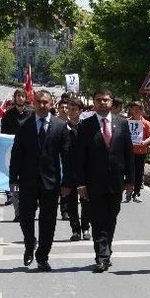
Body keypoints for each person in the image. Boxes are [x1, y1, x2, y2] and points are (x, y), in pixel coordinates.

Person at [9, 90, 71, 271]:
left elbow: (67, 157)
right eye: (39, 102)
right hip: (27, 181)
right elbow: (16, 154)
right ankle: (30, 243)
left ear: (51, 104)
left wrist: (67, 182)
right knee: (25, 217)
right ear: (33, 103)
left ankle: (43, 256)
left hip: (51, 183)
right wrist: (13, 179)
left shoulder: (60, 126)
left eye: (45, 102)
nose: (42, 105)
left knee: (48, 221)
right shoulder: (24, 124)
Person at [77, 89, 134, 273]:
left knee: (111, 218)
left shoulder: (122, 123)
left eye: (106, 100)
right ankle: (101, 256)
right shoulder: (85, 125)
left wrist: (131, 180)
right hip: (94, 182)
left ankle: (106, 248)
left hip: (116, 181)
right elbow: (80, 157)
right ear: (94, 103)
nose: (103, 103)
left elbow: (129, 154)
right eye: (99, 100)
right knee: (98, 219)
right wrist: (81, 183)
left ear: (111, 102)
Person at [1, 88, 33, 210]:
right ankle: (17, 211)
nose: (20, 98)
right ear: (14, 98)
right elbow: (4, 134)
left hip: (30, 153)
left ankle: (29, 208)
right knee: (14, 182)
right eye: (18, 96)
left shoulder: (32, 113)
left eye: (22, 96)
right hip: (13, 153)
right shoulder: (8, 114)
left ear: (26, 98)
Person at [65, 98, 90, 241]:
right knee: (71, 202)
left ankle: (86, 227)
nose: (71, 111)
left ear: (81, 111)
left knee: (86, 200)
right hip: (69, 170)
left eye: (74, 109)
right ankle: (75, 230)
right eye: (69, 109)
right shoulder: (62, 128)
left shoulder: (86, 127)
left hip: (85, 171)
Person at [126, 101, 150, 203]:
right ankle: (128, 191)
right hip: (129, 152)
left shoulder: (146, 123)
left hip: (141, 152)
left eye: (138, 109)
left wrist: (144, 142)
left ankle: (136, 193)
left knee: (139, 173)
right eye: (133, 109)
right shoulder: (127, 122)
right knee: (129, 172)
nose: (135, 111)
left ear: (142, 110)